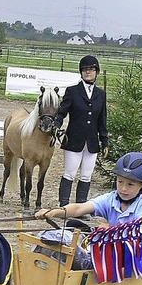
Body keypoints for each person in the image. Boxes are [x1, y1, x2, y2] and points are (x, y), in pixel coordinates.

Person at [35, 152, 142, 227]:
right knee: (73, 225)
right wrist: (54, 212)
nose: (123, 188)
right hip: (111, 249)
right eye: (120, 182)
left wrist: (111, 229)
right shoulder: (111, 199)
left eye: (130, 185)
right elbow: (79, 208)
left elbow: (140, 230)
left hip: (132, 257)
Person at [54, 55, 109, 206]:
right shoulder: (72, 91)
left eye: (91, 69)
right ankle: (64, 205)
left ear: (96, 72)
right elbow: (62, 111)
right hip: (74, 139)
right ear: (81, 72)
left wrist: (105, 141)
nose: (88, 72)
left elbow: (102, 119)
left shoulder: (101, 94)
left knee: (86, 176)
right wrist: (56, 124)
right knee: (69, 173)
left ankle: (80, 206)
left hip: (91, 142)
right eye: (85, 70)